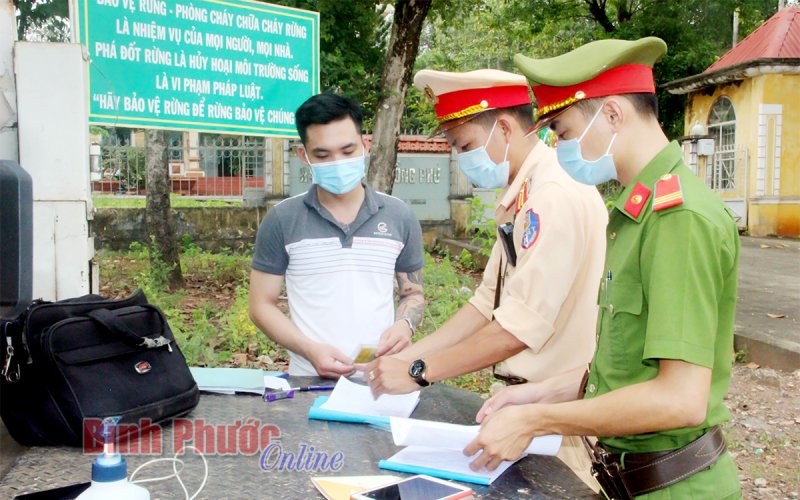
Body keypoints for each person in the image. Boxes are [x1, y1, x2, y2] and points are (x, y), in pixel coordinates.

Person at [465, 37, 742, 499]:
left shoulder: (678, 219)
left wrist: (537, 420)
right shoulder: (633, 214)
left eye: (566, 132)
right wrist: (540, 394)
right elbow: (628, 367)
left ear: (613, 114)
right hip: (630, 481)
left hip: (674, 487)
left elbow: (680, 398)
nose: (560, 147)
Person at [360, 69, 608, 488]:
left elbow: (517, 328)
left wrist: (421, 370)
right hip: (523, 405)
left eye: (467, 145)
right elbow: (484, 304)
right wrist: (406, 358)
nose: (463, 159)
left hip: (554, 412)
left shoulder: (552, 196)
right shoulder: (525, 194)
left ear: (505, 128)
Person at [249, 93, 425, 378]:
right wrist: (308, 349)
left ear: (365, 146)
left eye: (347, 151)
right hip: (307, 379)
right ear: (303, 156)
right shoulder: (282, 219)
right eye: (323, 155)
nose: (337, 162)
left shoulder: (399, 215)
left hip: (382, 377)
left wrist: (405, 326)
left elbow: (413, 293)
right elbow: (260, 305)